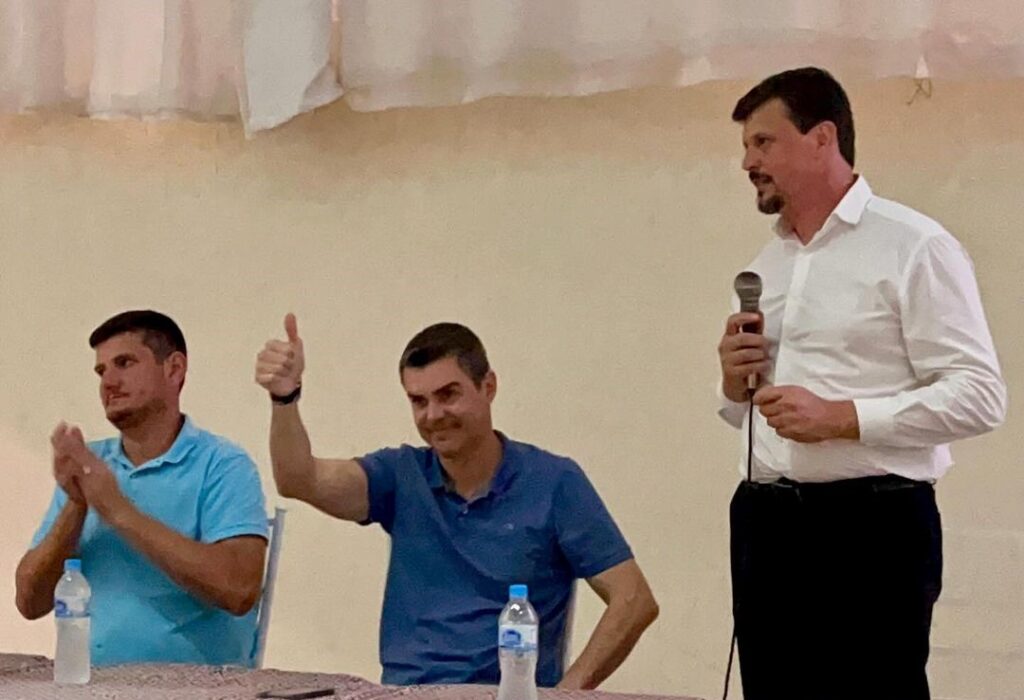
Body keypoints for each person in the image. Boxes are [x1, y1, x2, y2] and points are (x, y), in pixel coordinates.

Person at [717, 67, 1007, 700]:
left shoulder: (913, 246)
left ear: (822, 138)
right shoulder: (766, 265)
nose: (747, 163)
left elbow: (980, 395)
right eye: (746, 146)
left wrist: (844, 418)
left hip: (871, 527)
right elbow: (750, 409)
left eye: (763, 143)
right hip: (767, 522)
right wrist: (734, 383)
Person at [255, 316, 658, 688]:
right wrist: (285, 400)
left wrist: (565, 695)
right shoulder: (400, 475)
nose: (434, 415)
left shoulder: (554, 482)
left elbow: (634, 601)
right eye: (418, 401)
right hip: (404, 693)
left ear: (489, 387)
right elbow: (298, 480)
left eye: (448, 395)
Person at [16, 310, 269, 667]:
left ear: (174, 369)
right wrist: (76, 503)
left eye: (124, 363)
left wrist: (118, 510)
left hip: (201, 687)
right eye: (101, 371)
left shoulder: (224, 464)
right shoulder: (89, 464)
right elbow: (29, 603)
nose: (108, 382)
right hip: (89, 683)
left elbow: (239, 589)